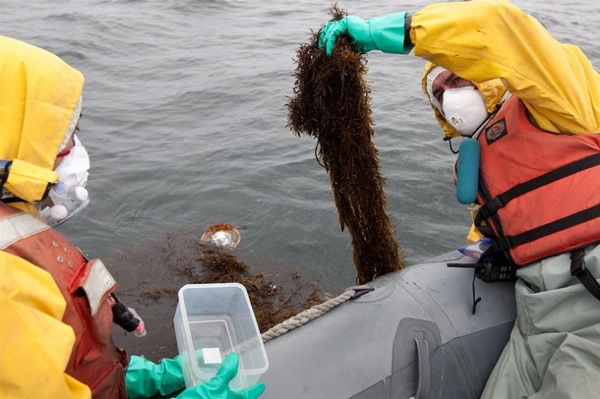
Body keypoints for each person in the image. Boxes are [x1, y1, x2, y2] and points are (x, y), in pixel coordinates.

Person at [319, 1, 600, 398]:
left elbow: (499, 28)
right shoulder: (480, 161)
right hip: (537, 312)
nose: (447, 96)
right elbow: (496, 228)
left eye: (455, 80)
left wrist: (394, 31)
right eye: (438, 93)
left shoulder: (560, 98)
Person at [0, 35, 265, 399]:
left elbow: (57, 369)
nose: (73, 150)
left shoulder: (15, 232)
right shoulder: (7, 284)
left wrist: (135, 379)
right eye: (64, 135)